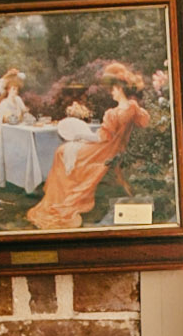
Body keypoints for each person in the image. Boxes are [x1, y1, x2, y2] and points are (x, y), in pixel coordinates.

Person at [25, 81, 150, 234]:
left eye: (113, 90)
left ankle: (60, 198)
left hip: (104, 150)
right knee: (67, 150)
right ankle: (58, 195)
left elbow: (101, 138)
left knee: (62, 151)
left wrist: (80, 135)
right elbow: (143, 122)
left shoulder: (113, 113)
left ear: (119, 89)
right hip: (116, 148)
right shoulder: (133, 107)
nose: (112, 93)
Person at [0, 68, 32, 184]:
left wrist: (26, 114)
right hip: (6, 135)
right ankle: (12, 177)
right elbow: (10, 120)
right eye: (14, 89)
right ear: (8, 90)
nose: (16, 91)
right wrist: (19, 116)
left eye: (17, 89)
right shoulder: (4, 104)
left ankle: (24, 176)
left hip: (18, 132)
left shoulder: (18, 100)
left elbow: (25, 113)